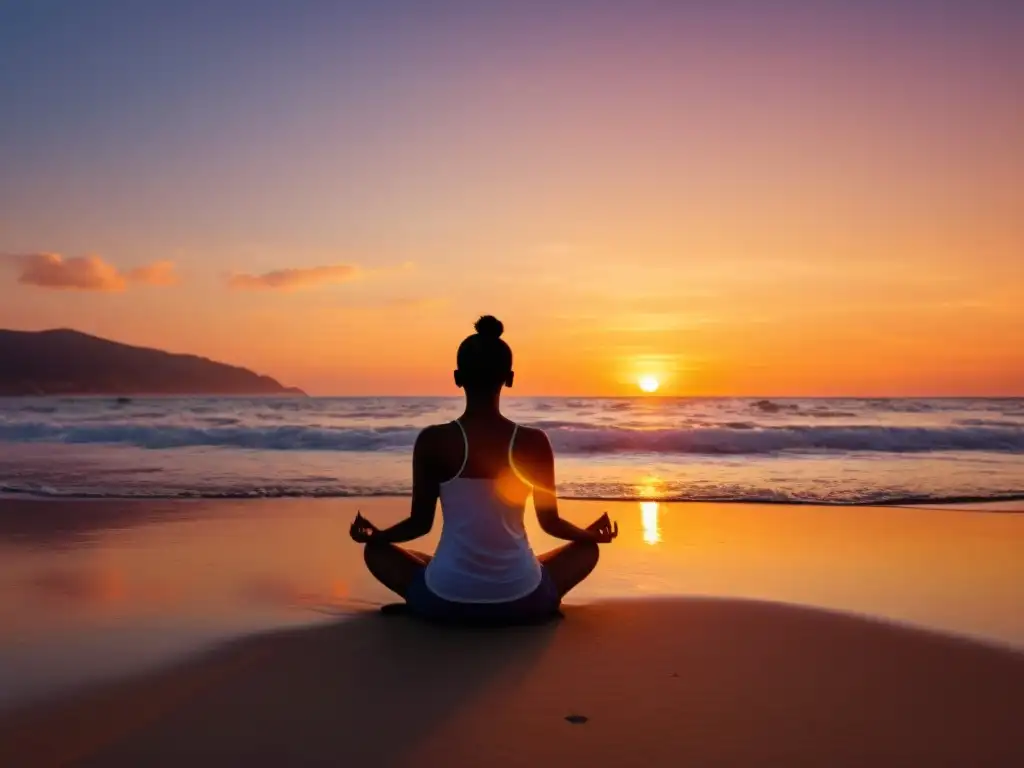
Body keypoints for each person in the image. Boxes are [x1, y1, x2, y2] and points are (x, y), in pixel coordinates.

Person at [350, 315, 617, 624]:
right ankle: (531, 601)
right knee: (587, 551)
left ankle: (424, 601)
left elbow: (419, 525)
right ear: (510, 377)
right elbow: (550, 523)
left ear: (457, 377)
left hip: (445, 603)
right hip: (524, 601)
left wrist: (378, 535)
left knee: (378, 553)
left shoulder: (433, 440)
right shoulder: (534, 441)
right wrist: (587, 535)